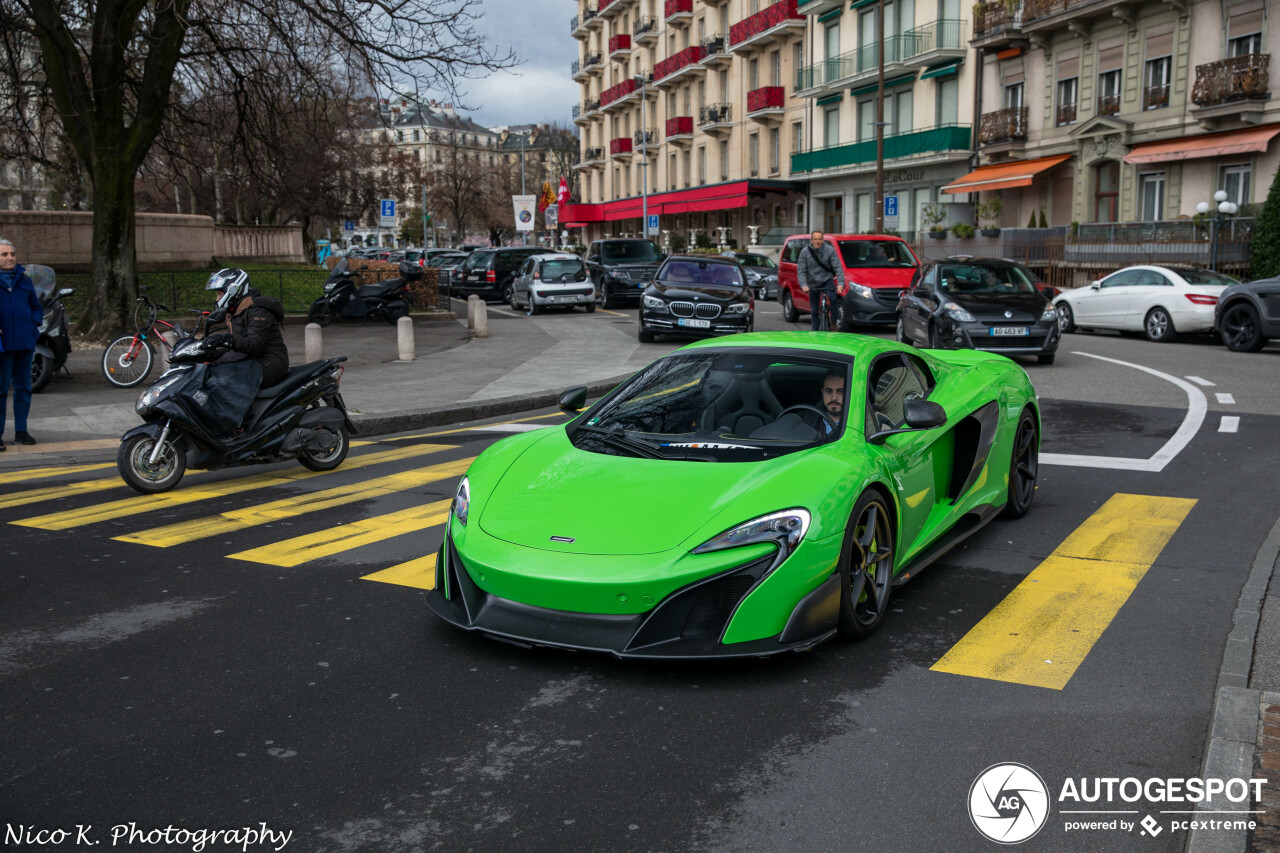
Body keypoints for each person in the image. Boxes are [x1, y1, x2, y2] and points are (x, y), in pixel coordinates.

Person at [202, 268, 289, 387]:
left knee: (224, 382)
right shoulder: (235, 311)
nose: (217, 299)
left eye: (220, 294)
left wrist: (226, 339)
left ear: (233, 290)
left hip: (270, 362)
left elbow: (254, 345)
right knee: (210, 371)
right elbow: (235, 348)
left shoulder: (258, 311)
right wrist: (207, 354)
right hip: (251, 359)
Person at [0, 238, 43, 450]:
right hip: (2, 345)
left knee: (23, 388)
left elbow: (36, 307)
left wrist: (33, 325)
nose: (10, 258)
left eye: (12, 254)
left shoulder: (24, 280)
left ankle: (21, 430)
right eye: (4, 254)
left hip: (24, 341)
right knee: (0, 390)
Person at [797, 231, 845, 331]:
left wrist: (841, 283)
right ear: (811, 240)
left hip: (827, 279)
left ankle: (833, 321)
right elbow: (801, 270)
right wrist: (803, 285)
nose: (818, 241)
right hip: (813, 282)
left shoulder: (830, 250)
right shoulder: (805, 252)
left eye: (820, 239)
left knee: (833, 298)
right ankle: (815, 332)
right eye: (815, 239)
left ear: (823, 240)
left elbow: (838, 267)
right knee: (814, 311)